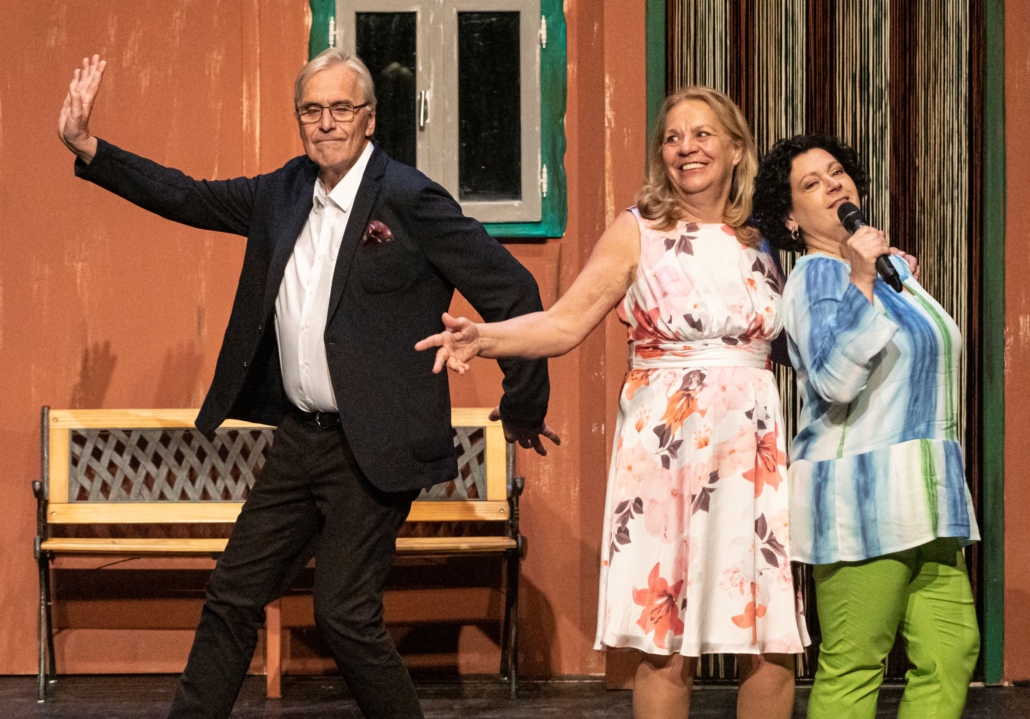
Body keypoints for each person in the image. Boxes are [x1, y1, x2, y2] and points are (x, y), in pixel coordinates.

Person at [58, 50, 557, 719]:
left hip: (374, 441)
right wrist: (90, 147)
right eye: (312, 110)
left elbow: (515, 291)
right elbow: (189, 196)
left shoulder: (409, 199)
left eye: (341, 108)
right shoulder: (284, 191)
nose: (326, 123)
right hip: (301, 438)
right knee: (233, 593)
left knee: (344, 612)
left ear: (369, 118)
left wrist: (522, 401)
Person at [418, 86, 808, 719]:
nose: (686, 148)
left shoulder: (764, 237)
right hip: (666, 449)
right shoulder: (639, 232)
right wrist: (484, 338)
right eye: (672, 137)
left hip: (751, 451)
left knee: (769, 641)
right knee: (664, 644)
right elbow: (564, 322)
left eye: (702, 134)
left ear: (737, 149)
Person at [751, 133, 980, 719]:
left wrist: (876, 275)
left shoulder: (889, 272)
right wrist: (859, 281)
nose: (832, 185)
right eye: (811, 184)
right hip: (862, 500)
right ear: (790, 218)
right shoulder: (816, 278)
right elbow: (833, 380)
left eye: (836, 173)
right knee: (855, 665)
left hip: (927, 495)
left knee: (951, 652)